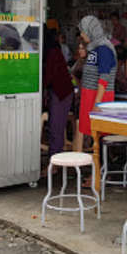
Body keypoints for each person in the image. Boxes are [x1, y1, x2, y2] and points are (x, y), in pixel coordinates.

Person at [42, 26, 75, 173]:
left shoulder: (52, 52)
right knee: (53, 128)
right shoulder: (49, 49)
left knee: (56, 128)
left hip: (61, 93)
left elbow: (48, 76)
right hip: (55, 92)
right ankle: (53, 161)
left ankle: (54, 165)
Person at [78, 15, 117, 139]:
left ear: (91, 31)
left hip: (99, 98)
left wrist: (97, 104)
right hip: (89, 95)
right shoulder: (94, 48)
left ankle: (100, 157)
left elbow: (104, 76)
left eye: (83, 31)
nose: (82, 35)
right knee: (92, 132)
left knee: (100, 133)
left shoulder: (104, 48)